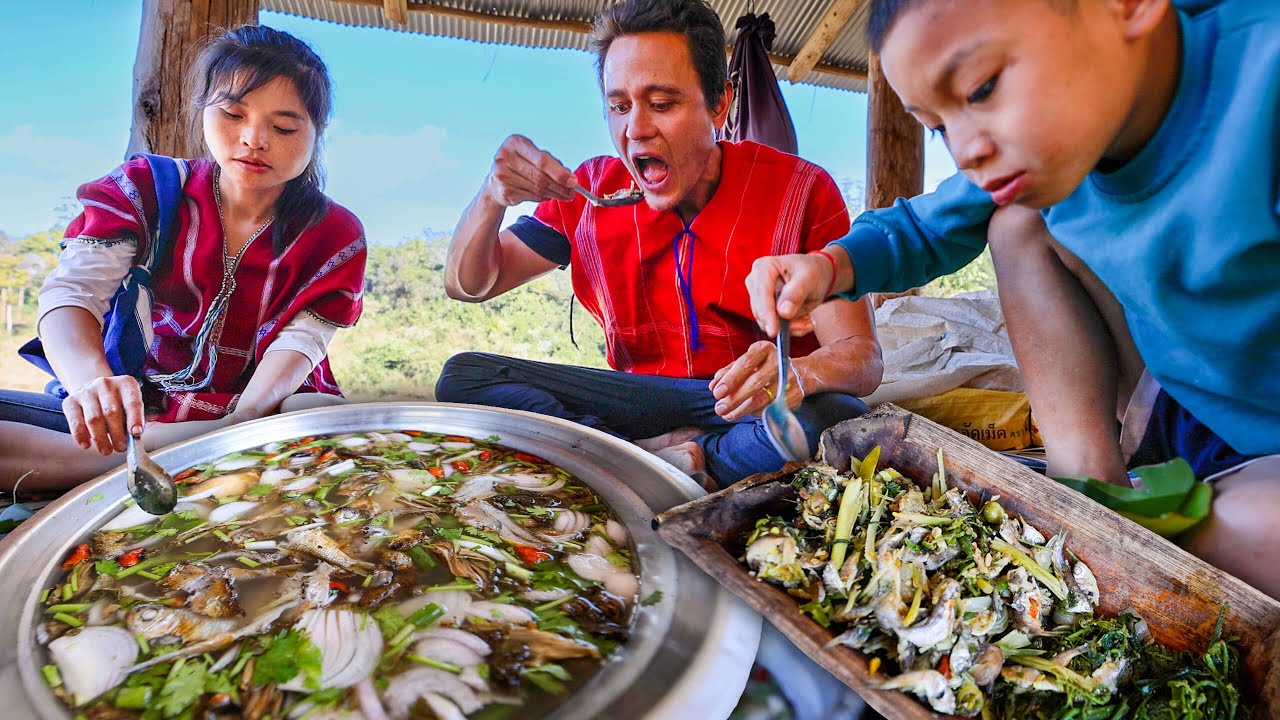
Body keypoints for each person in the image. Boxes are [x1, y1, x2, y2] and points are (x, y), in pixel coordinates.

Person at [745, 0, 1280, 598]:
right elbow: (927, 226)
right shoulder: (1037, 147)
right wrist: (829, 265)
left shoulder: (1263, 79)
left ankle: (1165, 532)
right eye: (938, 127)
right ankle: (1086, 483)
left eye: (982, 88)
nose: (964, 149)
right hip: (1176, 407)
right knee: (1017, 223)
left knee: (1255, 536)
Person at [436, 0, 883, 489]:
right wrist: (491, 196)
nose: (635, 129)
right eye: (619, 106)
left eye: (662, 104)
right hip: (641, 401)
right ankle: (650, 458)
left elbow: (861, 356)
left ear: (719, 103)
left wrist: (800, 373)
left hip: (750, 404)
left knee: (836, 416)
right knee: (465, 378)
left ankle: (642, 461)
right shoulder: (589, 193)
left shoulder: (800, 190)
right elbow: (471, 284)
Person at [0, 26, 367, 490]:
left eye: (284, 127)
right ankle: (163, 456)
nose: (253, 139)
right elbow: (74, 293)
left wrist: (244, 422)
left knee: (312, 415)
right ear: (203, 111)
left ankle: (139, 461)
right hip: (144, 401)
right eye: (233, 114)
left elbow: (302, 342)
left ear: (318, 132)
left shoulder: (335, 233)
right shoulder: (147, 188)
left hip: (266, 404)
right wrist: (92, 383)